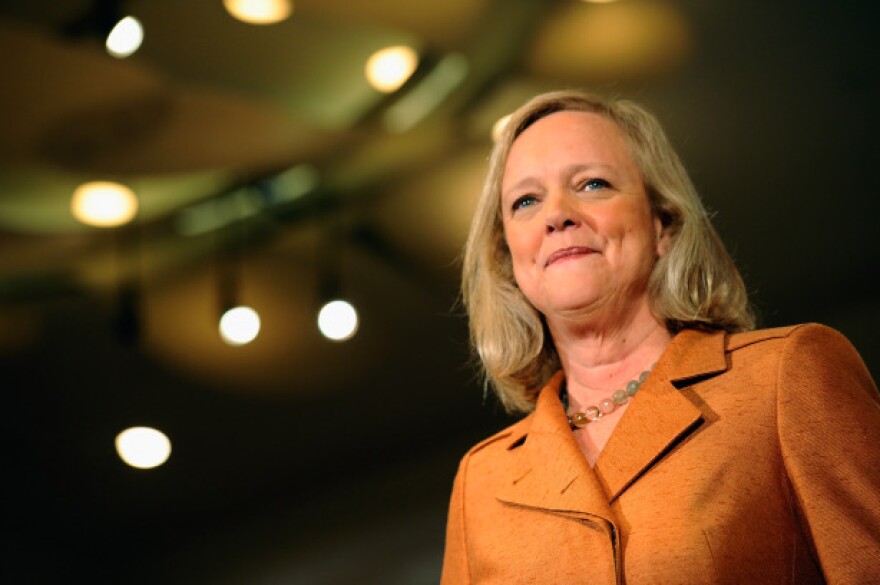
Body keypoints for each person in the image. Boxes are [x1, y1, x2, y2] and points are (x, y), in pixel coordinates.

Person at [440, 90, 880, 584]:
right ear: (508, 257)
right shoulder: (480, 482)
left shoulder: (788, 376)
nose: (557, 215)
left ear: (662, 223)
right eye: (526, 200)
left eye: (593, 184)